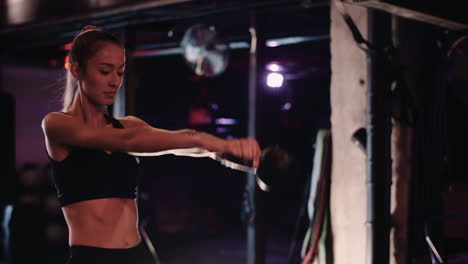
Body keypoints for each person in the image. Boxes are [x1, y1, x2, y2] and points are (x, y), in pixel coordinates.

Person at [41, 25, 261, 264]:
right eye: (105, 71)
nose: (115, 81)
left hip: (138, 254)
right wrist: (209, 142)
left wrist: (222, 152)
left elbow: (181, 140)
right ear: (77, 70)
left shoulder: (128, 125)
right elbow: (129, 142)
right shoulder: (57, 125)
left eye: (120, 72)